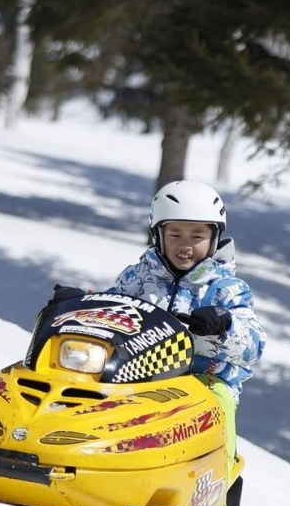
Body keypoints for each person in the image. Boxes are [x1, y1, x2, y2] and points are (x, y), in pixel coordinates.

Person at [50, 181, 267, 463]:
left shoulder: (226, 288)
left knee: (217, 408)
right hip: (139, 373)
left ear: (214, 239)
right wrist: (79, 304)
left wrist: (224, 324)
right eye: (175, 233)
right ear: (158, 234)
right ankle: (78, 456)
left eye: (197, 235)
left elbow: (254, 345)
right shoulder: (138, 277)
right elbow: (112, 309)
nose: (185, 244)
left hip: (202, 379)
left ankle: (217, 488)